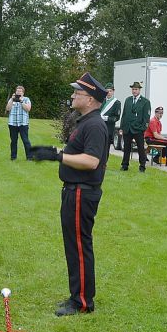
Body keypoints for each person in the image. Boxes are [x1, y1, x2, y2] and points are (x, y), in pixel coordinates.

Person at [27, 72, 109, 316]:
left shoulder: (95, 124)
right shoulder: (85, 122)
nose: (73, 95)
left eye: (78, 93)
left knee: (79, 247)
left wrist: (59, 156)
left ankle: (82, 302)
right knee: (74, 246)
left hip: (82, 194)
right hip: (74, 192)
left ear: (92, 99)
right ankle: (78, 295)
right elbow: (78, 151)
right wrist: (55, 151)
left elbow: (91, 161)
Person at [119, 81, 150, 172]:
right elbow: (124, 114)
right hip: (127, 128)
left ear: (139, 90)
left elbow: (146, 117)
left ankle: (142, 166)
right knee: (126, 148)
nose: (134, 91)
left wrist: (142, 128)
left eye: (136, 89)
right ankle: (125, 165)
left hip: (138, 129)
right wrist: (122, 127)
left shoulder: (145, 102)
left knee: (140, 148)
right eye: (133, 89)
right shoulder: (128, 100)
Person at [6, 85, 32, 160]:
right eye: (17, 91)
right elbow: (8, 108)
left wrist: (21, 101)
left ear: (23, 93)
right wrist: (11, 99)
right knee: (13, 141)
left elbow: (28, 109)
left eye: (20, 91)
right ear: (15, 92)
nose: (18, 92)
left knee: (25, 140)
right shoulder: (12, 99)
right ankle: (13, 157)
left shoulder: (26, 99)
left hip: (23, 124)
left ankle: (29, 157)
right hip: (12, 123)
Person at [99, 82, 120, 152]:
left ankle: (104, 162)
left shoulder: (116, 103)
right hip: (99, 126)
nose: (109, 93)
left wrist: (107, 118)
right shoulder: (101, 100)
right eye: (107, 91)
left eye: (110, 91)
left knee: (106, 148)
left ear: (113, 91)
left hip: (108, 128)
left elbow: (117, 117)